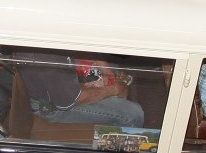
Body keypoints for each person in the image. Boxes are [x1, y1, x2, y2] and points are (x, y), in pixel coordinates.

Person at [13, 49, 143, 127]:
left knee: (115, 65)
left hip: (63, 81)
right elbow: (74, 99)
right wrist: (113, 90)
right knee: (133, 113)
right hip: (53, 106)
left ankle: (113, 105)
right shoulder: (48, 66)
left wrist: (101, 63)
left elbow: (76, 46)